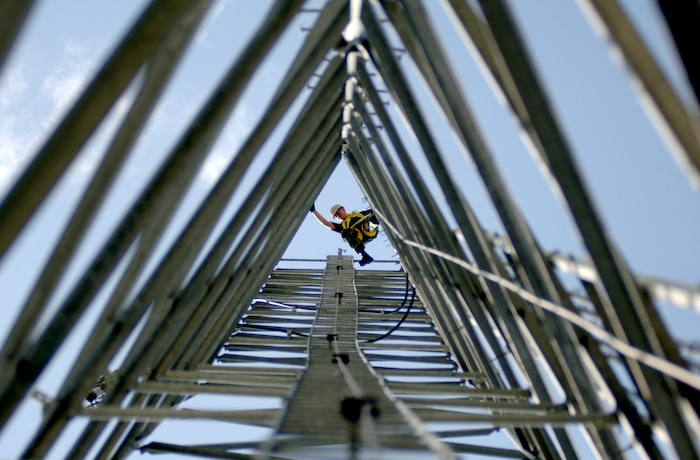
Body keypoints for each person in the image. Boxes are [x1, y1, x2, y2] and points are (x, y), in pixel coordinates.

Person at [310, 203, 379, 266]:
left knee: (372, 218)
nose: (338, 216)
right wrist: (313, 210)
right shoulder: (342, 226)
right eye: (336, 216)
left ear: (343, 209)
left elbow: (375, 210)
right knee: (346, 233)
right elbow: (326, 223)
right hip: (358, 238)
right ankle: (365, 256)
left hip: (368, 230)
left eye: (338, 213)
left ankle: (382, 220)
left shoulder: (358, 214)